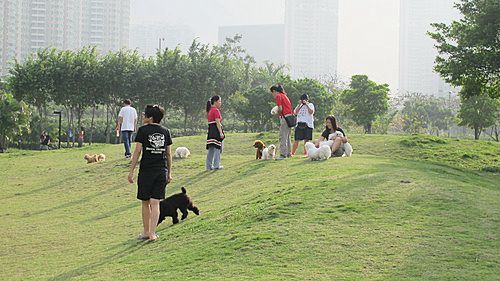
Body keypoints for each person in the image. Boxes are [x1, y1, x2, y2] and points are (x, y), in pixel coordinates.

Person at [128, 104, 172, 242]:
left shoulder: (143, 131)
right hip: (161, 170)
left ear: (150, 117)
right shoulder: (166, 131)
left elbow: (137, 152)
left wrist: (131, 171)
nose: (143, 117)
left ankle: (147, 232)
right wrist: (169, 173)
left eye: (145, 115)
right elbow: (168, 154)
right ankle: (152, 233)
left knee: (145, 202)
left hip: (146, 171)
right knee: (155, 203)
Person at [270, 84, 293, 160]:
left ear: (274, 91)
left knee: (282, 136)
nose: (273, 95)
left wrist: (276, 112)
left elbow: (280, 108)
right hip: (289, 117)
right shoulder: (284, 95)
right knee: (288, 136)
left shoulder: (278, 96)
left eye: (272, 93)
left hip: (284, 118)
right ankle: (289, 153)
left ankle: (283, 155)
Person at [206, 95, 225, 171]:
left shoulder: (210, 110)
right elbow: (217, 122)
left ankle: (209, 166)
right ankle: (217, 165)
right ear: (215, 102)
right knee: (217, 148)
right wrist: (221, 132)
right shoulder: (216, 110)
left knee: (211, 149)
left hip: (211, 130)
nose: (220, 103)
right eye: (219, 101)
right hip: (215, 130)